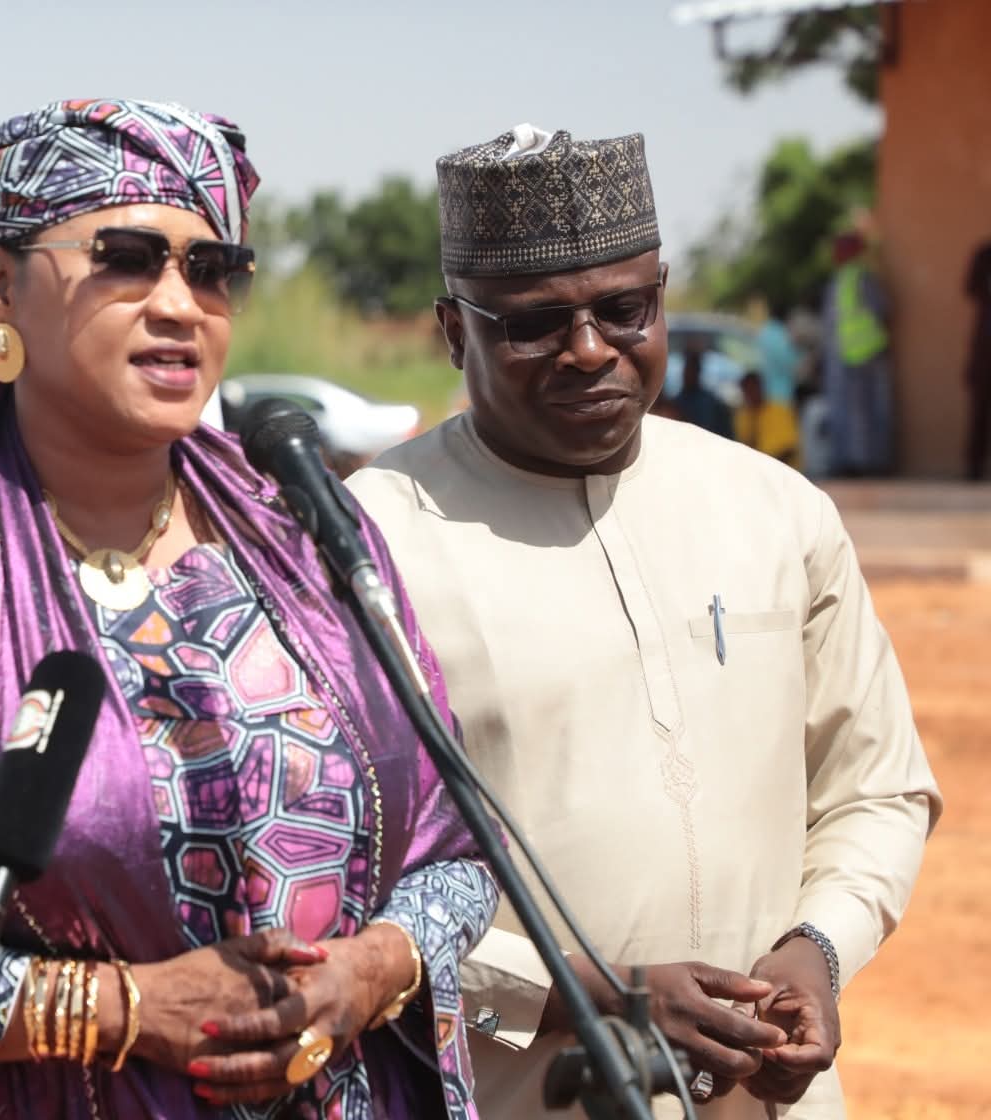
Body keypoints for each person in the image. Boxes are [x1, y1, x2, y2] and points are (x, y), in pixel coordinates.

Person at [0, 99, 497, 1120]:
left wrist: (374, 967)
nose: (180, 304)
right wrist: (110, 1009)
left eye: (212, 270)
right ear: (2, 285)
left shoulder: (302, 526)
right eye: (127, 259)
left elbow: (457, 845)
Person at [348, 124, 941, 1120]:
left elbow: (876, 789)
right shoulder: (365, 547)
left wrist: (819, 948)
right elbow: (332, 889)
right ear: (453, 332)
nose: (589, 351)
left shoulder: (776, 510)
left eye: (625, 309)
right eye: (535, 324)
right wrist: (575, 997)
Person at [820, 231, 894, 476]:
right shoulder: (848, 278)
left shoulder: (859, 278)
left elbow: (881, 310)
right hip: (853, 355)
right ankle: (858, 463)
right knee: (859, 413)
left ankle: (867, 464)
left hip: (862, 355)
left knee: (862, 414)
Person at [963, 236, 991, 481]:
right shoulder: (984, 255)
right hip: (985, 347)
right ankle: (974, 468)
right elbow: (970, 289)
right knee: (980, 409)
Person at [734, 370, 801, 469]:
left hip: (784, 469)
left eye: (753, 388)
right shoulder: (743, 416)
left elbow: (789, 449)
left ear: (760, 387)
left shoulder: (779, 410)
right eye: (747, 390)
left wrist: (769, 467)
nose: (751, 393)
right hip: (758, 470)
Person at [670, 348, 733, 439]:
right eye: (687, 370)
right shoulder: (675, 403)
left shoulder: (711, 402)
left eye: (692, 370)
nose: (688, 374)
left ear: (698, 372)